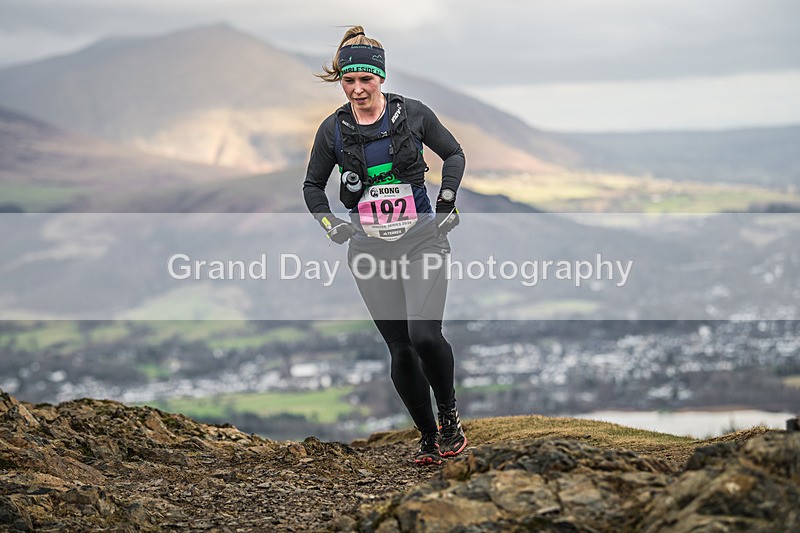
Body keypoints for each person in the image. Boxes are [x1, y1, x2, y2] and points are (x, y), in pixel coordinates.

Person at [302, 26, 467, 465]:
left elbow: (454, 154)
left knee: (424, 336)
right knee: (400, 348)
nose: (357, 89)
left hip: (421, 242)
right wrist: (331, 225)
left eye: (366, 80)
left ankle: (450, 417)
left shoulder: (412, 115)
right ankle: (429, 437)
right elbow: (313, 186)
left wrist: (447, 200)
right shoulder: (332, 131)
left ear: (381, 78)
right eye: (348, 80)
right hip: (370, 251)